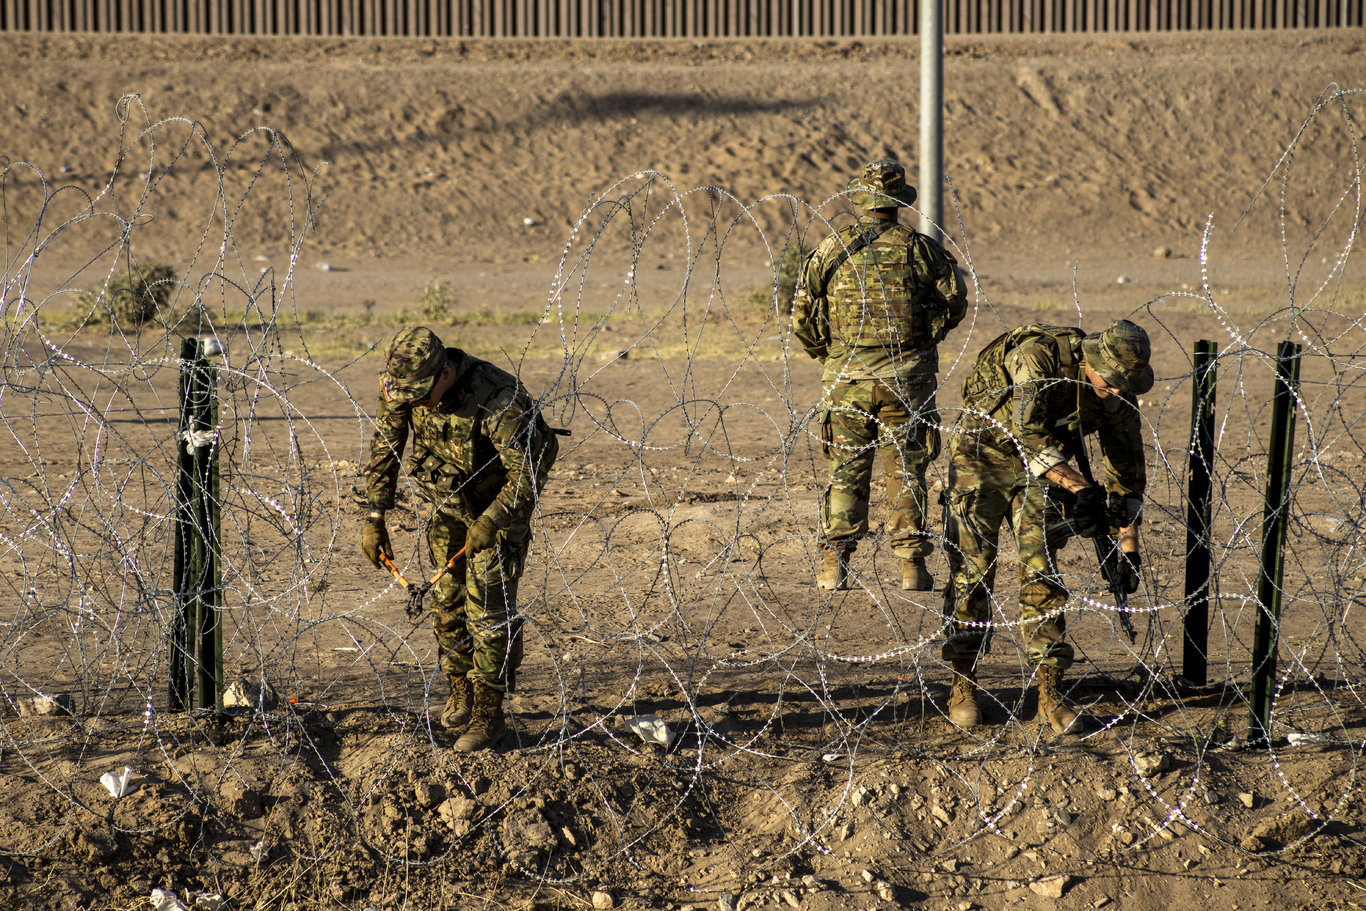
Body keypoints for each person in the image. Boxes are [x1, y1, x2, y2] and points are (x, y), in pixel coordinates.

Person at [940, 319, 1152, 733]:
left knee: (1043, 571)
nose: (1115, 391)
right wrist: (1082, 490)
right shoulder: (1038, 357)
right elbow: (1027, 433)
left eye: (1124, 385)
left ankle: (1050, 692)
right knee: (972, 570)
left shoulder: (1117, 393)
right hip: (981, 456)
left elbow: (1126, 471)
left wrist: (1128, 549)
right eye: (1109, 382)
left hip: (1045, 469)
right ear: (1091, 362)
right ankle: (963, 682)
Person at [361, 326, 557, 751]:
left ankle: (489, 715)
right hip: (448, 506)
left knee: (488, 612)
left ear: (446, 373)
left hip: (501, 509)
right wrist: (375, 516)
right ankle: (460, 690)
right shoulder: (402, 385)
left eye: (421, 396)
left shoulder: (498, 399)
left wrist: (493, 520)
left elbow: (530, 471)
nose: (414, 403)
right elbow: (386, 445)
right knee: (447, 601)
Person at [792, 159, 969, 593]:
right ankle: (913, 567)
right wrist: (926, 338)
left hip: (847, 382)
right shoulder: (921, 249)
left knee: (846, 470)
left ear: (860, 199)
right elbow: (954, 303)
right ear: (899, 202)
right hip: (906, 381)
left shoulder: (832, 248)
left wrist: (829, 355)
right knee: (906, 471)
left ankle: (834, 566)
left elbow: (802, 315)